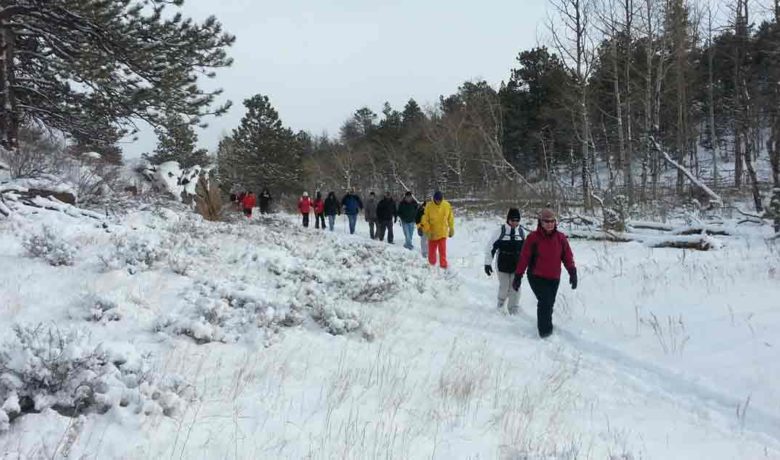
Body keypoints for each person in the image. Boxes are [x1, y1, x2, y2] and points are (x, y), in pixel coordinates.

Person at [512, 208, 577, 338]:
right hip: (536, 276)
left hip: (554, 277)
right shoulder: (533, 238)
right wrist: (518, 276)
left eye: (552, 221)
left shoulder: (561, 238)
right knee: (545, 302)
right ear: (540, 222)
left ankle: (546, 323)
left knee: (549, 303)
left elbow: (567, 256)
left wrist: (572, 272)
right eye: (546, 221)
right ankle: (545, 332)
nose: (549, 224)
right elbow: (524, 258)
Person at [484, 208, 525, 315]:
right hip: (502, 264)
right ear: (508, 220)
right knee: (504, 286)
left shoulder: (521, 232)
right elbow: (490, 248)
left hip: (516, 265)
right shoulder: (500, 232)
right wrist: (488, 263)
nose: (515, 223)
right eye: (512, 220)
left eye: (517, 220)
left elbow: (526, 250)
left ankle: (513, 309)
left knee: (515, 287)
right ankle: (500, 305)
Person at [420, 190, 454, 269]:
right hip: (432, 234)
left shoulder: (446, 205)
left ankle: (444, 266)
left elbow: (450, 218)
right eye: (437, 200)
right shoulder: (429, 206)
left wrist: (451, 227)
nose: (438, 201)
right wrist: (427, 230)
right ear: (434, 199)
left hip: (442, 233)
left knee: (442, 251)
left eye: (440, 200)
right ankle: (432, 267)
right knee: (431, 253)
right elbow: (424, 219)